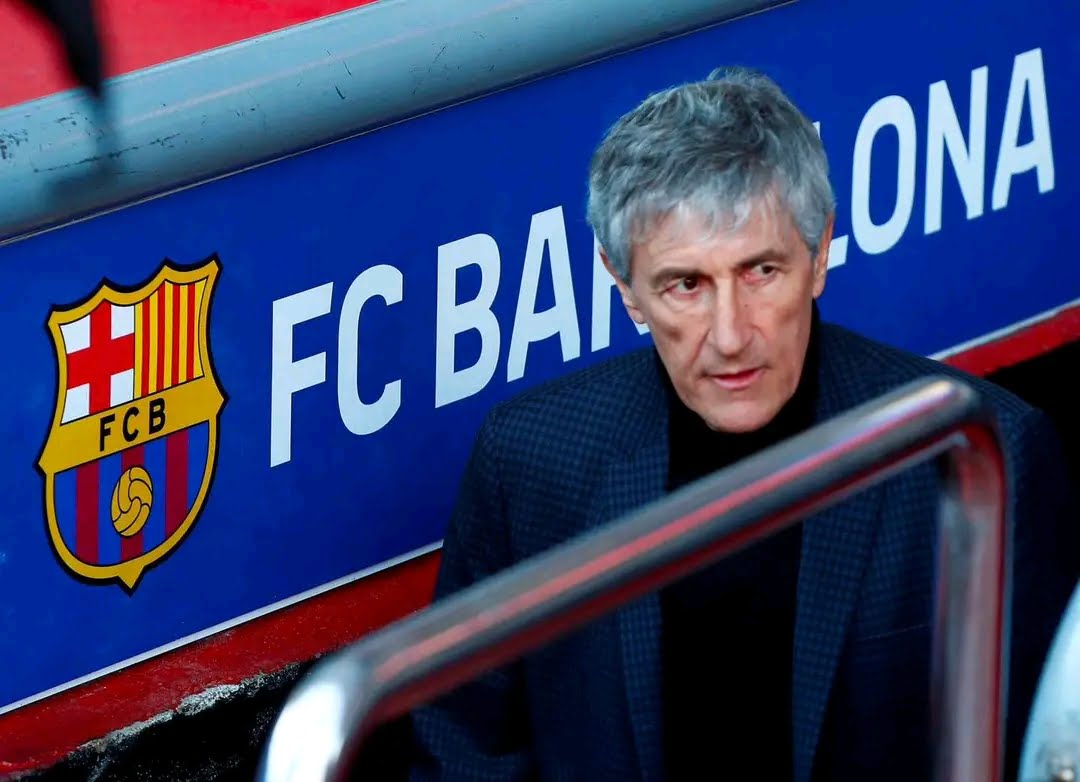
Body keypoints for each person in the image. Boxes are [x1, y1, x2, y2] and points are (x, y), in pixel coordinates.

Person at [408, 67, 1076, 782]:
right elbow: (464, 759)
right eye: (686, 285)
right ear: (624, 286)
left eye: (761, 271)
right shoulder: (530, 460)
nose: (730, 336)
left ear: (819, 252)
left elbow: (1048, 750)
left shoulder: (982, 451)